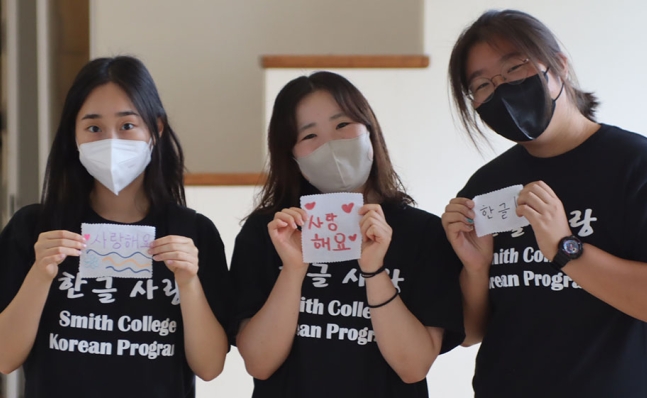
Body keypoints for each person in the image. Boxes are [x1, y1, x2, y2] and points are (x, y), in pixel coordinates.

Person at [442, 9, 647, 397]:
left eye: (514, 67)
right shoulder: (486, 186)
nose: (501, 89)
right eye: (482, 85)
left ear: (559, 65)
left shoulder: (634, 166)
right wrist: (475, 268)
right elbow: (470, 333)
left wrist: (565, 249)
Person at [0, 56, 230, 398]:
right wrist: (40, 274)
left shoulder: (193, 232)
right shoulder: (34, 228)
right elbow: (4, 358)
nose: (111, 140)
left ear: (157, 129)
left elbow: (210, 367)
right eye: (93, 127)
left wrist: (188, 281)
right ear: (73, 135)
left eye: (127, 125)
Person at [229, 71, 464, 398]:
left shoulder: (423, 233)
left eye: (342, 126)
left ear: (370, 131)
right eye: (309, 136)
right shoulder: (269, 232)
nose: (331, 144)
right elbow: (259, 363)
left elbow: (413, 367)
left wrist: (374, 270)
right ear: (292, 155)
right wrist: (294, 270)